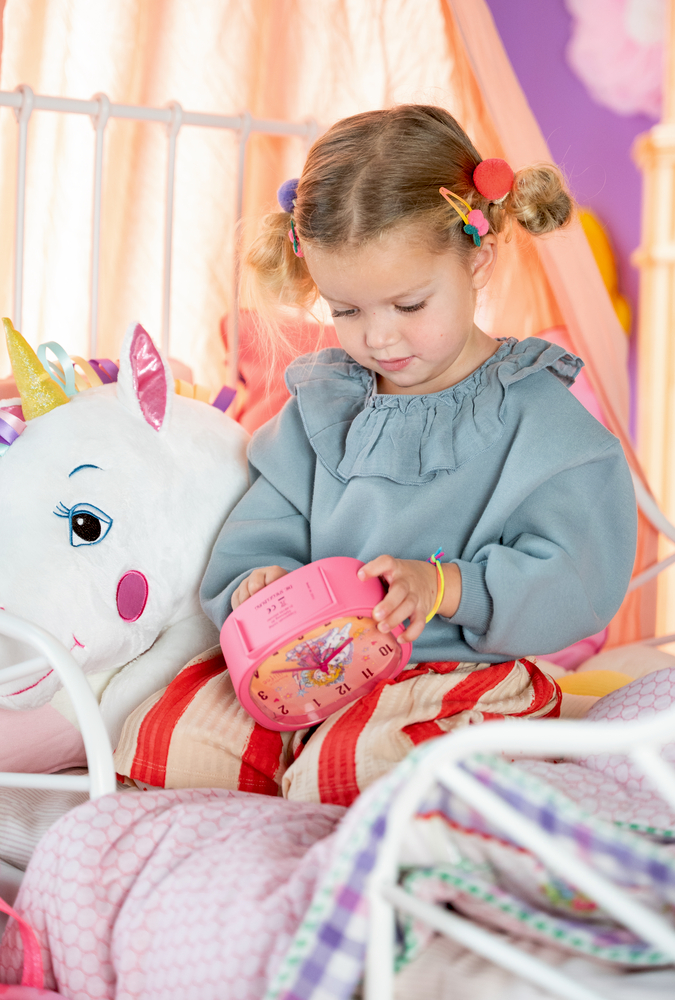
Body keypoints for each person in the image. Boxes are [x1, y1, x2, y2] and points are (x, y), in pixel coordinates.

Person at [201, 104, 636, 686]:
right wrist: (259, 582)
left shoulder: (538, 416)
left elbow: (577, 580)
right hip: (321, 674)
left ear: (478, 260)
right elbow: (254, 539)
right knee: (164, 725)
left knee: (380, 745)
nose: (378, 338)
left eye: (408, 306)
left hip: (466, 680)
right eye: (346, 311)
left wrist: (447, 586)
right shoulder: (322, 409)